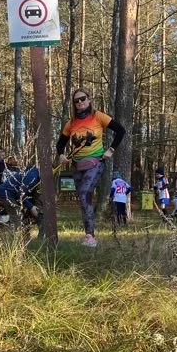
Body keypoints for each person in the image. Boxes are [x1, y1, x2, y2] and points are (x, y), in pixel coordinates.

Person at [56, 87, 126, 247]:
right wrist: (61, 155)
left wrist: (111, 149)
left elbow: (121, 130)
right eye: (76, 101)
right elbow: (61, 143)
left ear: (89, 99)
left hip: (95, 163)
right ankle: (89, 235)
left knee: (85, 192)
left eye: (83, 99)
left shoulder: (98, 116)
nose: (80, 102)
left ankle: (90, 236)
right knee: (83, 199)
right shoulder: (71, 123)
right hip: (77, 165)